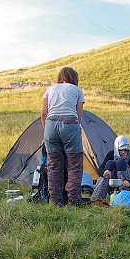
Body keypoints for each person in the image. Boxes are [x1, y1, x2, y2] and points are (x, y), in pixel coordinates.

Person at [40, 66, 85, 205]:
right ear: (74, 78)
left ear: (60, 77)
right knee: (74, 165)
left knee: (53, 166)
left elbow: (43, 114)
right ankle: (74, 201)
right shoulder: (77, 90)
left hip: (50, 125)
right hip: (70, 124)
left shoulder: (50, 89)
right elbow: (78, 116)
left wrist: (46, 134)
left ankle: (55, 201)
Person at [91, 135, 130, 200]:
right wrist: (104, 173)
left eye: (126, 150)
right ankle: (99, 196)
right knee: (110, 163)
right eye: (121, 150)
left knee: (121, 162)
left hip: (126, 184)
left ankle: (123, 194)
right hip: (111, 182)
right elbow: (100, 169)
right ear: (117, 149)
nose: (123, 152)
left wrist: (129, 182)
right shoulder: (111, 154)